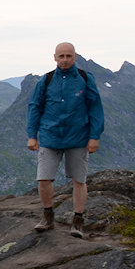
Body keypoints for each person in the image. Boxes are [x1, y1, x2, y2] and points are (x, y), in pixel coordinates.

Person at [26, 42, 105, 236]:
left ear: (75, 57)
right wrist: (32, 135)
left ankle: (77, 221)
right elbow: (35, 107)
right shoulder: (46, 80)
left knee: (79, 180)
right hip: (50, 137)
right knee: (44, 179)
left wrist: (94, 136)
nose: (65, 60)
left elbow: (95, 107)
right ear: (55, 58)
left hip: (78, 137)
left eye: (69, 56)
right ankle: (47, 217)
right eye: (61, 56)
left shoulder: (85, 79)